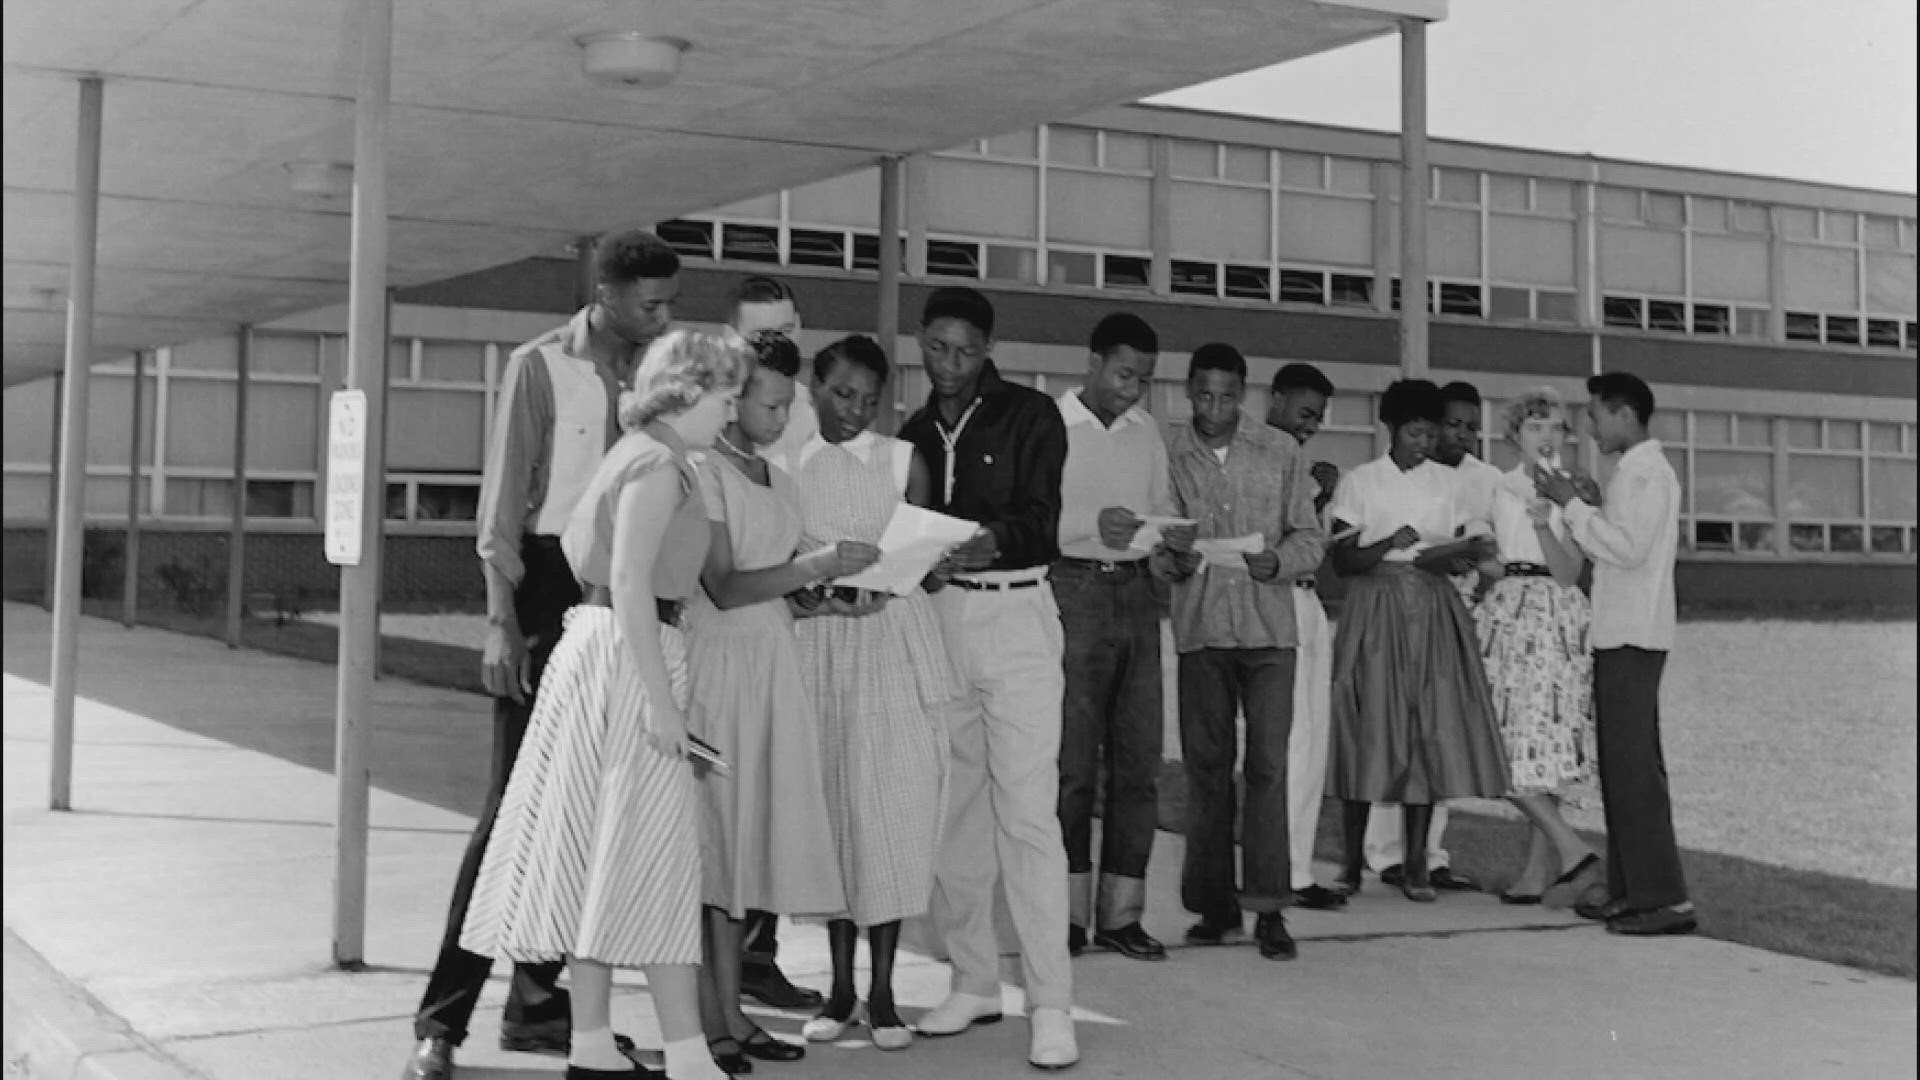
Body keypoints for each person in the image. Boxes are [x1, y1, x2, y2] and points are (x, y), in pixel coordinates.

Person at [404, 229, 679, 1080]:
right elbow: (502, 504)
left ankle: (538, 1008)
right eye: (649, 303)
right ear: (605, 291)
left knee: (592, 815)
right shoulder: (538, 366)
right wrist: (497, 620)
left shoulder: (665, 372)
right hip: (548, 592)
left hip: (635, 596)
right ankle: (441, 1024)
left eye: (669, 304)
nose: (662, 317)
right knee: (511, 814)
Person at [458, 327, 750, 1080]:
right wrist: (662, 705)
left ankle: (592, 1042)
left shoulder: (635, 451)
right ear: (687, 390)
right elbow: (630, 582)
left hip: (600, 652)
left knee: (599, 856)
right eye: (726, 395)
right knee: (653, 857)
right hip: (632, 652)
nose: (733, 410)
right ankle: (688, 1055)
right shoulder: (661, 463)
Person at [684, 330, 876, 1074]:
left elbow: (777, 593)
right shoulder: (703, 473)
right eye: (767, 402)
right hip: (720, 671)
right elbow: (726, 586)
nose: (777, 415)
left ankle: (733, 1015)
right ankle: (713, 1023)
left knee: (745, 859)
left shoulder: (777, 479)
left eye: (785, 402)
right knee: (716, 855)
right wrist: (817, 564)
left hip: (770, 664)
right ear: (732, 399)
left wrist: (825, 600)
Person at [899, 287, 1079, 1071]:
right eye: (936, 348)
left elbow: (1045, 522)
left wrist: (991, 542)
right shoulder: (910, 431)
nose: (949, 365)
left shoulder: (1031, 416)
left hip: (1017, 618)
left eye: (964, 351)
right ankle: (973, 980)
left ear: (987, 348)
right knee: (954, 812)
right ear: (922, 344)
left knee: (1028, 816)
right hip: (942, 622)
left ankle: (1051, 1004)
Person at [772, 335, 962, 1054]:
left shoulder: (903, 460)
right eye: (842, 394)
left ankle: (883, 993)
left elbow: (922, 556)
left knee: (889, 815)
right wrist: (818, 581)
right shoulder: (787, 465)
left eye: (870, 400)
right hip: (820, 646)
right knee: (834, 814)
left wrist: (935, 560)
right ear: (813, 389)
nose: (855, 411)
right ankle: (840, 988)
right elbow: (778, 560)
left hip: (890, 642)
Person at [1153, 343, 1325, 961]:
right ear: (1188, 391)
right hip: (1201, 629)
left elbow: (1310, 536)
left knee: (1269, 768)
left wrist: (1277, 561)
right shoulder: (1168, 452)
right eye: (1203, 394)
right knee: (1206, 770)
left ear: (1244, 395)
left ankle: (1270, 909)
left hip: (1270, 630)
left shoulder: (1280, 451)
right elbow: (1159, 544)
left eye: (1226, 395)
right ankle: (1214, 906)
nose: (1214, 407)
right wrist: (1171, 555)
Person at [1325, 379, 1509, 903]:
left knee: (1424, 731)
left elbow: (1461, 553)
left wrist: (1467, 552)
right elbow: (1342, 561)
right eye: (1414, 433)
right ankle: (1350, 866)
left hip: (1430, 604)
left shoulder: (1447, 485)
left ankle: (1417, 867)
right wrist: (1388, 542)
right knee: (1365, 730)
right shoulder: (1361, 482)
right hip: (1376, 606)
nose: (1424, 443)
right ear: (1391, 429)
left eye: (1431, 434)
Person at [1535, 371, 1696, 936]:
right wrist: (1587, 506)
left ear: (1625, 414)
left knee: (1634, 775)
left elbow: (1627, 550)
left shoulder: (1646, 472)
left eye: (1597, 415)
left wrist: (1573, 508)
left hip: (1633, 637)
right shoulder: (1631, 472)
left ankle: (1665, 899)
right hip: (1622, 635)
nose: (1591, 427)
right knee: (1624, 772)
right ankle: (1633, 891)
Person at [1050, 312, 1175, 963]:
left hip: (1138, 597)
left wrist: (1166, 544)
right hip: (1072, 593)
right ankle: (1065, 917)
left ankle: (1122, 916)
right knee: (1072, 767)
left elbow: (1155, 513)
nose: (1134, 390)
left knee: (1138, 763)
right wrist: (1090, 523)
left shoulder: (1147, 433)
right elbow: (1033, 517)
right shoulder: (1049, 424)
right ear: (1093, 363)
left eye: (1145, 380)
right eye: (1126, 374)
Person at [1476, 387, 1606, 906]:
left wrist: (1546, 520)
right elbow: (1488, 557)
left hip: (1557, 614)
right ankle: (1571, 851)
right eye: (1535, 428)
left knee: (1544, 744)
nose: (1546, 437)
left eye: (1555, 428)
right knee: (1500, 741)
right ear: (1515, 435)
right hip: (1508, 611)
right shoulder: (1497, 486)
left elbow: (1572, 573)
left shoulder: (1576, 489)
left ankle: (1540, 872)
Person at [1263, 361, 1348, 911]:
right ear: (1275, 399)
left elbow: (1316, 542)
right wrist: (1314, 499)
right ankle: (1276, 870)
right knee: (1290, 741)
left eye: (1317, 417)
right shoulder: (1259, 454)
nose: (1309, 424)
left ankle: (1297, 867)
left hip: (1311, 600)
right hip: (1274, 602)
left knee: (1315, 741)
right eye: (1303, 411)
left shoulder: (1305, 461)